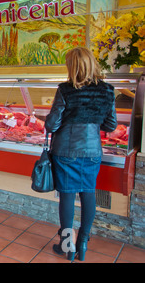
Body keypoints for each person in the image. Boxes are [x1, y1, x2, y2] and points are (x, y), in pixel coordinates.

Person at [45, 47, 117, 261]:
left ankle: (67, 246)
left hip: (66, 152)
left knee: (67, 196)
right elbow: (111, 125)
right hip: (93, 151)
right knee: (88, 193)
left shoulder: (65, 90)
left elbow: (52, 124)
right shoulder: (107, 90)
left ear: (72, 67)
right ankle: (83, 243)